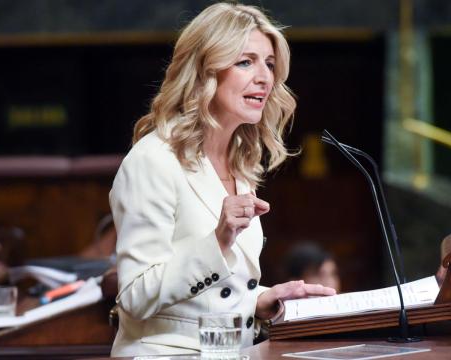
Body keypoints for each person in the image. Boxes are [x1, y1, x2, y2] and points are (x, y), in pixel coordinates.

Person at [109, 3, 336, 357]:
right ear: (204, 72)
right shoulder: (151, 161)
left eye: (270, 64)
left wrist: (262, 300)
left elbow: (217, 293)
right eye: (245, 62)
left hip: (231, 351)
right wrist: (217, 240)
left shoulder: (240, 162)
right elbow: (135, 296)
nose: (265, 77)